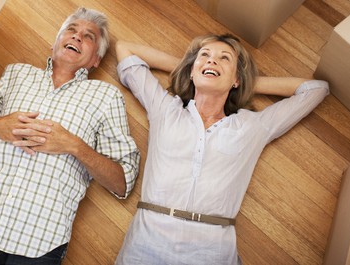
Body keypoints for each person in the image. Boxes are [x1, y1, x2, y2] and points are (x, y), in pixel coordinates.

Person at [0, 7, 140, 265]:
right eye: (71, 30)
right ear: (55, 43)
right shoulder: (15, 74)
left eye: (88, 36)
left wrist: (74, 146)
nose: (77, 37)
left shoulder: (106, 96)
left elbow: (122, 183)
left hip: (38, 244)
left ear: (96, 61)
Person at [114, 33, 329, 264]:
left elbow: (316, 89)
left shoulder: (252, 126)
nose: (212, 60)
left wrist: (241, 82)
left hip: (211, 248)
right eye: (204, 55)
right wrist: (196, 70)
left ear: (236, 79)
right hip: (147, 239)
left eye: (224, 58)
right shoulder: (165, 109)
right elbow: (125, 49)